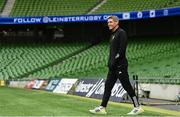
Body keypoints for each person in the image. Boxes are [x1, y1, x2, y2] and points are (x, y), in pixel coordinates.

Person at [89, 16, 144, 115]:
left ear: (116, 22)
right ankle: (102, 107)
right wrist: (110, 63)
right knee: (107, 87)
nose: (109, 24)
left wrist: (113, 61)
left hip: (120, 66)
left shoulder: (121, 33)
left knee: (127, 86)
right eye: (108, 22)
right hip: (113, 68)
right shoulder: (113, 35)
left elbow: (121, 51)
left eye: (110, 22)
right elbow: (113, 52)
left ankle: (138, 107)